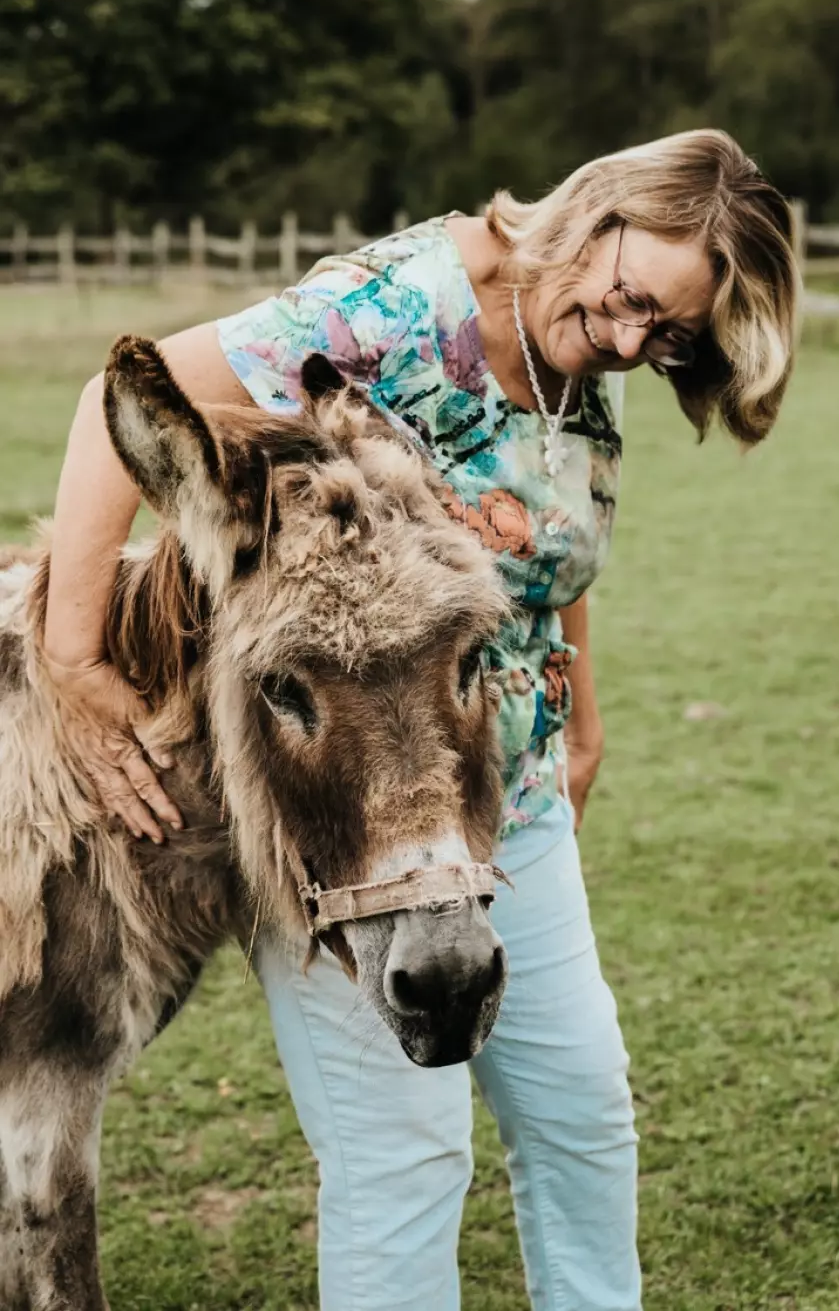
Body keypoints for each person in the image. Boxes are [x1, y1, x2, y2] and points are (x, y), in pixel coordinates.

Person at [44, 128, 798, 1310]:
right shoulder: (396, 303)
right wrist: (70, 650)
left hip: (511, 805)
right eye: (631, 301)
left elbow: (546, 553)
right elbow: (116, 403)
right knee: (405, 1156)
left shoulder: (582, 367)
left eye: (666, 338)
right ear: (595, 212)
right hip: (353, 817)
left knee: (583, 1115)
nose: (629, 340)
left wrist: (579, 716)